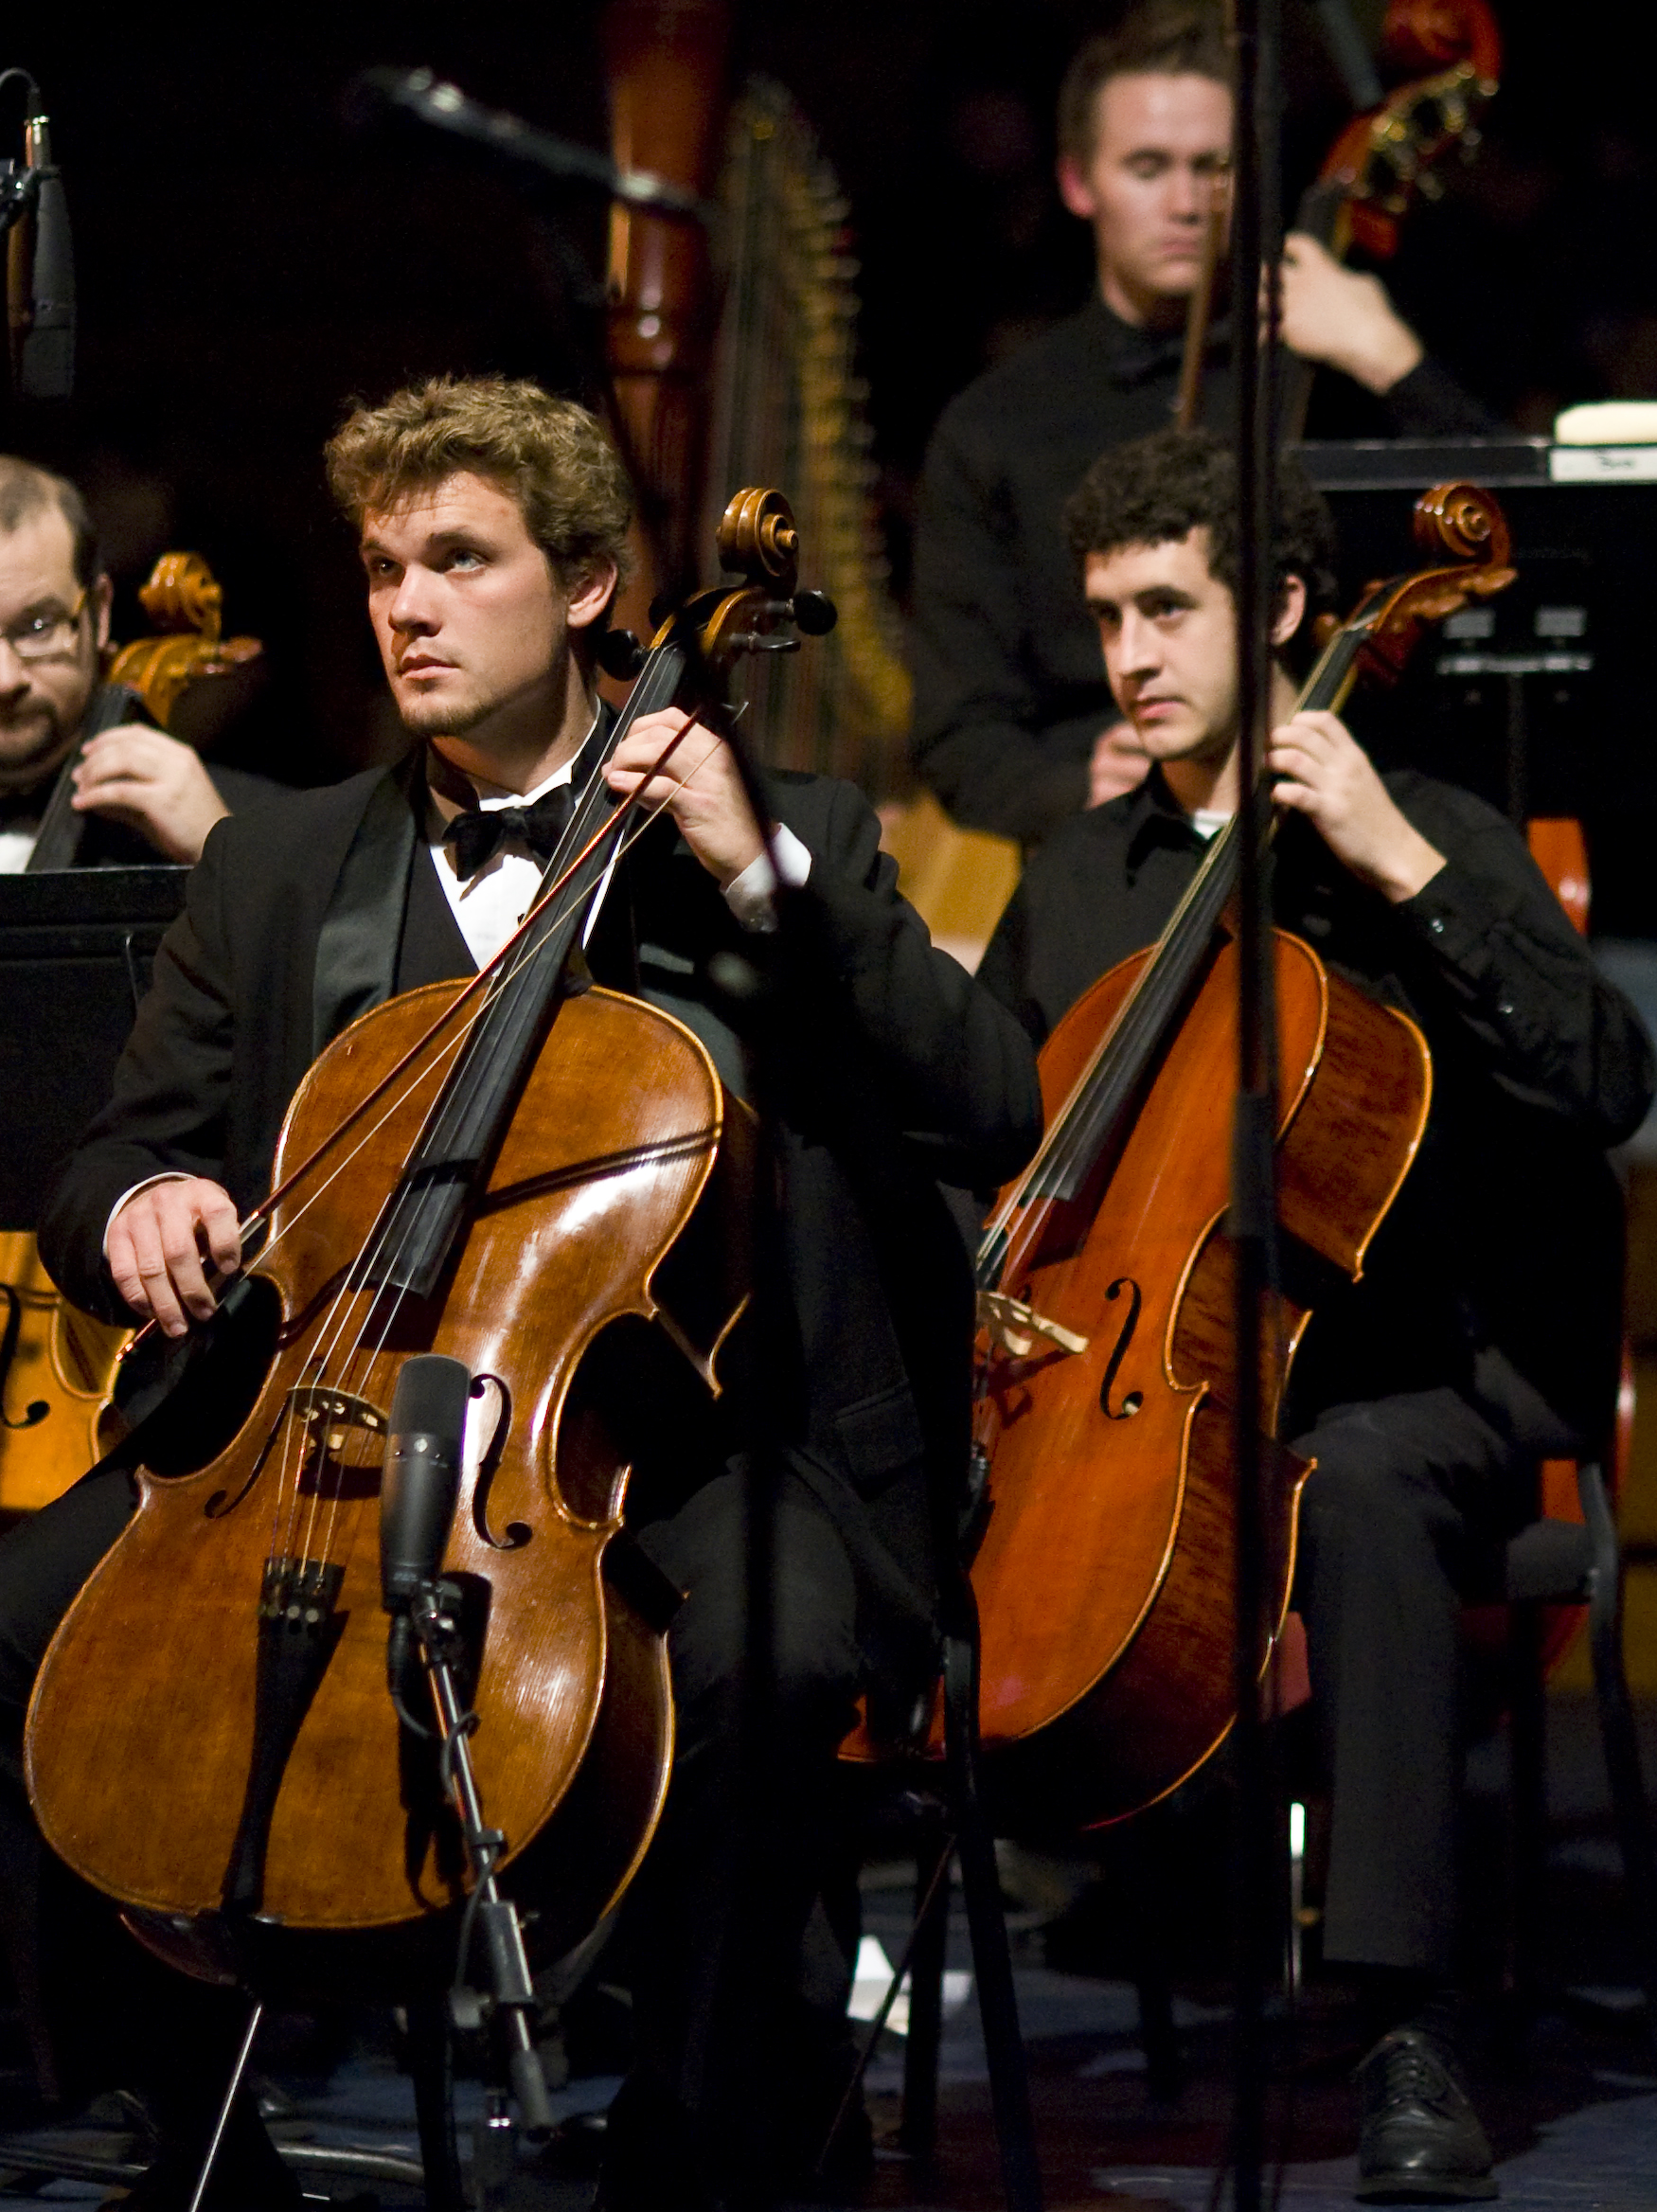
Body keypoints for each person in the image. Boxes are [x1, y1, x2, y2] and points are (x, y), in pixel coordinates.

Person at [11, 377, 1042, 2211]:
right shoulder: (275, 867)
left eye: (457, 561)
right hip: (316, 1430)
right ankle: (177, 2104)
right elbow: (113, 1152)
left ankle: (712, 2114)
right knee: (25, 1617)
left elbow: (983, 1096)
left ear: (584, 584)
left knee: (760, 1650)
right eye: (384, 566)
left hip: (684, 1447)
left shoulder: (777, 830)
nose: (404, 604)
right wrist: (153, 1196)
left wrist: (752, 864)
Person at [975, 424, 1653, 2201]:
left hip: (1439, 1363)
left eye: (1170, 608)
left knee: (1347, 1477)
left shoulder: (1427, 827)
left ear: (1279, 605)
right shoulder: (1081, 877)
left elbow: (1605, 1075)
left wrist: (1394, 864)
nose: (1130, 654)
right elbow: (992, 1135)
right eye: (1109, 614)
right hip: (1153, 1374)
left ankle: (1398, 2022)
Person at [911, 0, 1499, 847]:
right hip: (1115, 857)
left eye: (1214, 167)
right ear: (1079, 182)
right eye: (1149, 168)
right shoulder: (994, 426)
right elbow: (958, 730)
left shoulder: (1329, 369)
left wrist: (1392, 360)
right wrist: (1074, 789)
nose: (1187, 202)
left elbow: (1510, 542)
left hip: (1343, 822)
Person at [0, 456, 268, 869]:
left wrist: (226, 864)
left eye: (39, 626)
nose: (5, 680)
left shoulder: (250, 828)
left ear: (100, 614)